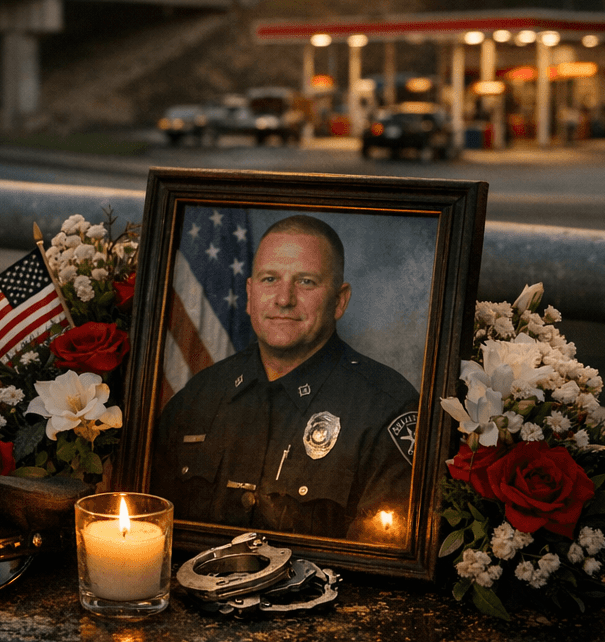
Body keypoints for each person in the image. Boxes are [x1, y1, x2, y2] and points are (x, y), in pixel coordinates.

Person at [150, 215, 418, 541]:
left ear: (339, 301)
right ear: (250, 294)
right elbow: (150, 531)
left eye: (306, 282)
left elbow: (381, 562)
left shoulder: (385, 410)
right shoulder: (198, 398)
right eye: (269, 279)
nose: (284, 298)